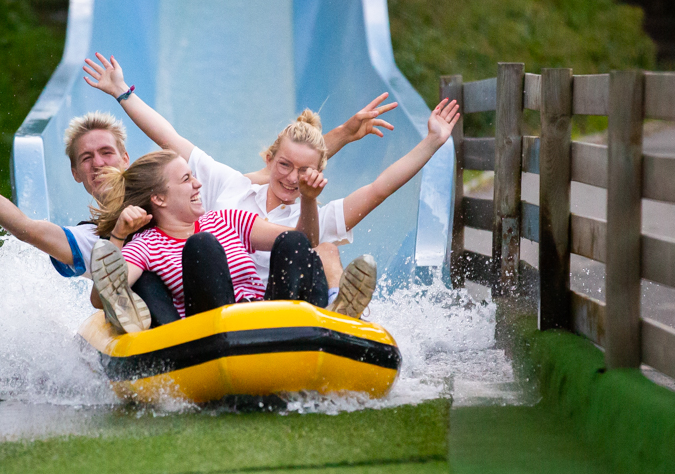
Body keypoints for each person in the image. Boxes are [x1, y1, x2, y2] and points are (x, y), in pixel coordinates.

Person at [82, 52, 460, 318]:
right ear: (269, 158)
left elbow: (379, 188)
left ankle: (333, 311)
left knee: (313, 246)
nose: (291, 177)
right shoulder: (230, 191)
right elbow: (170, 138)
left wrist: (432, 142)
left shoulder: (296, 215)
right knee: (195, 250)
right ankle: (145, 320)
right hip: (214, 298)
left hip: (279, 302)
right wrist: (123, 94)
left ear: (318, 173)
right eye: (284, 165)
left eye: (303, 171)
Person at [88, 149, 332, 332]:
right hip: (215, 332)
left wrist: (308, 200)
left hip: (266, 320)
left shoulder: (225, 220)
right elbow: (101, 299)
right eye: (186, 179)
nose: (198, 184)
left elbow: (305, 241)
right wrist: (118, 235)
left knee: (291, 240)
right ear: (160, 198)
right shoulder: (146, 245)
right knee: (202, 245)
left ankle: (323, 318)